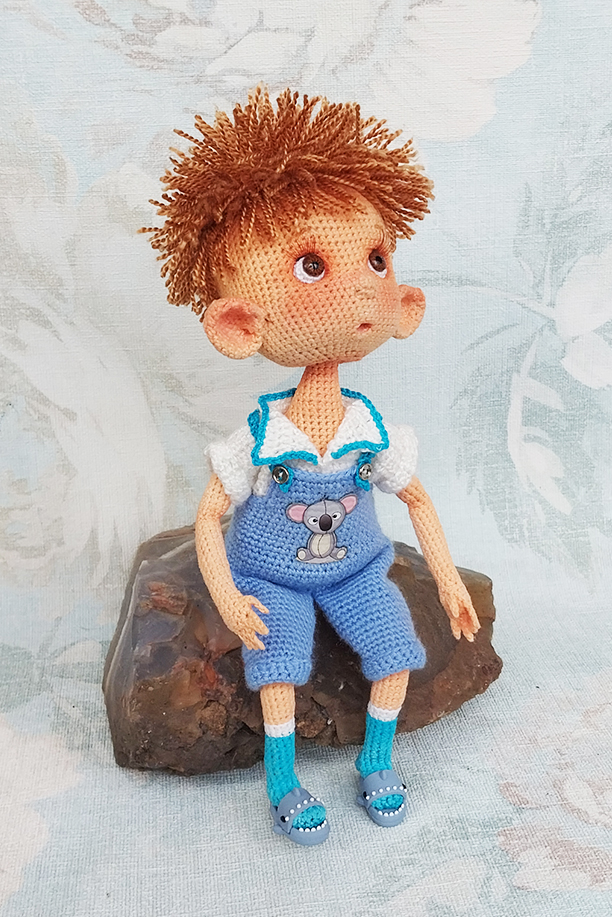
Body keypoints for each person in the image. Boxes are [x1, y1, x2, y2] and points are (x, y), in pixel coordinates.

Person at [145, 87, 480, 846]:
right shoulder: (262, 435)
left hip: (357, 569)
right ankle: (282, 778)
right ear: (240, 322)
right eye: (310, 265)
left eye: (376, 259)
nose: (365, 286)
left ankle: (377, 757)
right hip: (271, 577)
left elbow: (417, 499)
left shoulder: (369, 429)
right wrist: (228, 596)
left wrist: (448, 579)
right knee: (278, 669)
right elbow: (210, 515)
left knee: (395, 650)